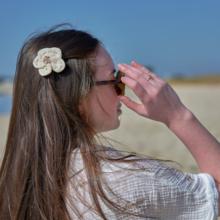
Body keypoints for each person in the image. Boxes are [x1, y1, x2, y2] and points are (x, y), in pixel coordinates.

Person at [0, 24, 219, 220]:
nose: (120, 90)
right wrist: (178, 116)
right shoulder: (124, 179)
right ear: (78, 96)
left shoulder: (17, 180)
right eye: (114, 79)